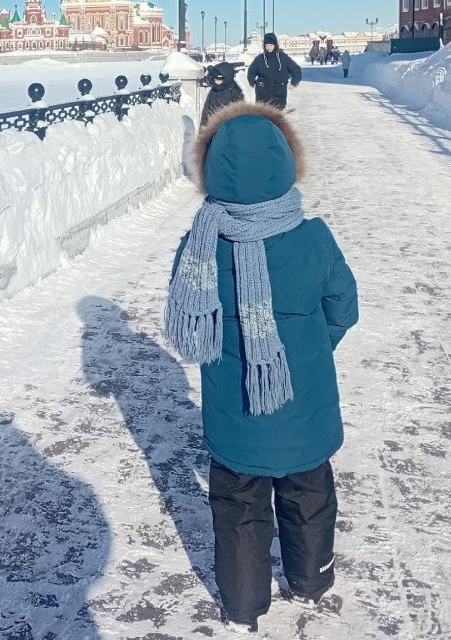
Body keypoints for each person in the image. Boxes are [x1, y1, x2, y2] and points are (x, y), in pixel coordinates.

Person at [163, 101, 359, 635]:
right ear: (285, 164)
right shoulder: (313, 238)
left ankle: (244, 604)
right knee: (309, 494)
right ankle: (311, 580)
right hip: (305, 407)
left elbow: (189, 324)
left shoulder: (199, 245)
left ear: (212, 170)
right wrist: (311, 350)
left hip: (234, 415)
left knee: (238, 506)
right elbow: (345, 307)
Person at [247, 33, 302, 109]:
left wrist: (294, 82)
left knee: (276, 118)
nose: (269, 48)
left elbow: (296, 69)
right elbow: (251, 71)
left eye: (271, 45)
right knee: (263, 117)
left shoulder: (283, 57)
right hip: (263, 95)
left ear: (275, 45)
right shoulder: (259, 59)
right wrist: (252, 82)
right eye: (266, 46)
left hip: (279, 94)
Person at [201, 62, 244, 127]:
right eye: (215, 79)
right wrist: (203, 129)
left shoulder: (234, 91)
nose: (216, 82)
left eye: (219, 79)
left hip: (229, 125)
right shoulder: (213, 91)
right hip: (213, 125)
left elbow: (240, 111)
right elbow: (206, 110)